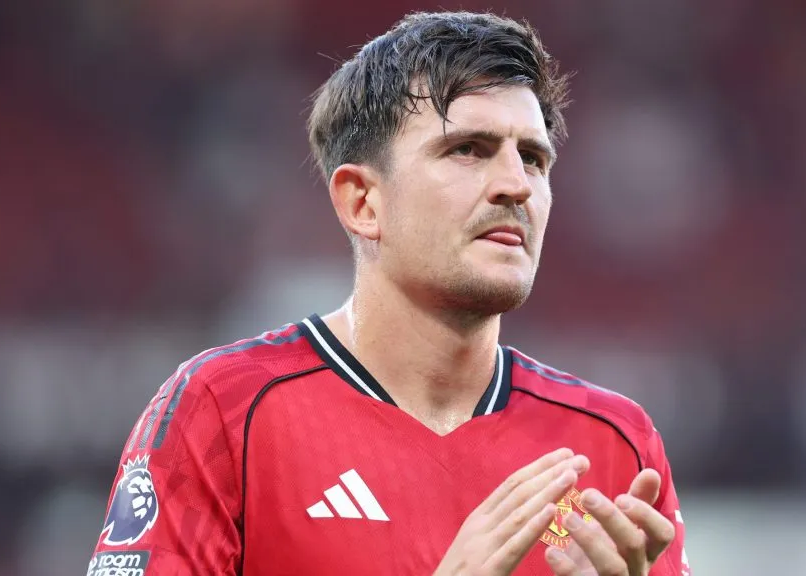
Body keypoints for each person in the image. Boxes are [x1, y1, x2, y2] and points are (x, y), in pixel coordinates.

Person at [88, 11, 690, 576]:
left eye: (533, 159)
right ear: (362, 201)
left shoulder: (614, 444)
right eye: (468, 150)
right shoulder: (223, 413)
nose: (516, 185)